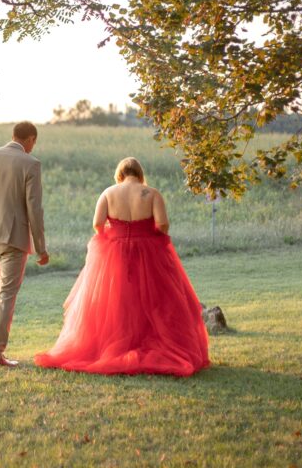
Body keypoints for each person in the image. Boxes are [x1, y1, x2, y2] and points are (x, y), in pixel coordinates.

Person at [35, 157, 209, 376]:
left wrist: (113, 235)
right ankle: (147, 342)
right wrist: (149, 235)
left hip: (113, 252)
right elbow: (163, 224)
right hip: (149, 252)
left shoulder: (108, 193)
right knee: (155, 299)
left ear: (120, 174)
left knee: (115, 300)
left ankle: (113, 346)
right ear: (139, 173)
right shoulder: (152, 193)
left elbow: (97, 224)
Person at [0, 121, 50, 367]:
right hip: (14, 237)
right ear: (31, 139)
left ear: (13, 135)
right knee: (6, 294)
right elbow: (34, 208)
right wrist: (41, 247)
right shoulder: (31, 163)